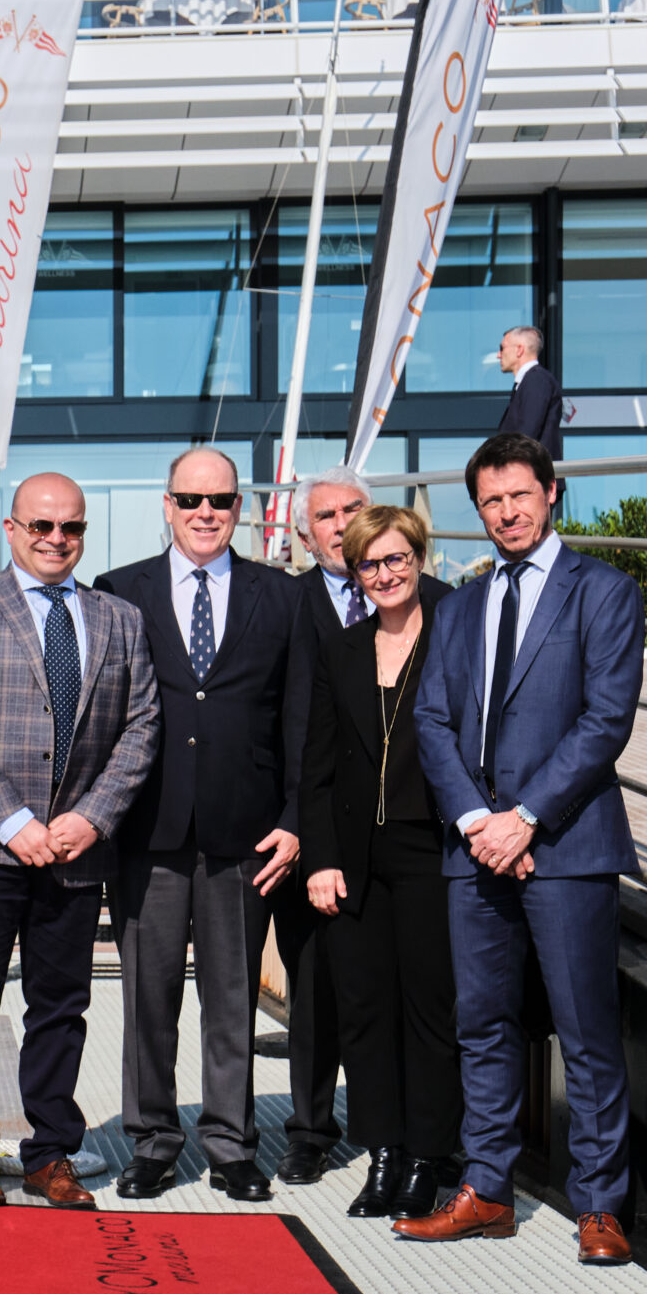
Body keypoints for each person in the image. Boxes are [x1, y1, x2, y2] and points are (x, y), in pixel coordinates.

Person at [400, 433, 643, 1265]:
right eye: (491, 501)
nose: (506, 512)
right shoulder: (460, 606)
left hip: (568, 846)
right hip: (475, 849)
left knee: (586, 1030)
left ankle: (602, 1206)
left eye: (519, 496)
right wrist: (478, 822)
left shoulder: (604, 592)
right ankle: (489, 1191)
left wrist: (526, 818)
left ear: (551, 494)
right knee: (483, 1024)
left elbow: (605, 720)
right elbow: (431, 720)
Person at [0, 473, 160, 1210]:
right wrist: (11, 820)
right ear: (11, 527)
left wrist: (93, 816)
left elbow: (142, 724)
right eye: (42, 526)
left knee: (61, 1004)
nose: (58, 539)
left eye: (72, 528)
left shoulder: (118, 619)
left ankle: (50, 1152)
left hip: (75, 847)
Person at [97, 447, 310, 1205]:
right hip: (146, 831)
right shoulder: (119, 592)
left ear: (240, 508)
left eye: (219, 500)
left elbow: (299, 720)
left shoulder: (281, 597)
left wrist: (293, 820)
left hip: (243, 835)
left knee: (231, 1002)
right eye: (190, 500)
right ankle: (152, 1143)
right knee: (148, 1003)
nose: (205, 513)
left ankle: (231, 1145)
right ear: (167, 505)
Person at [300, 505, 458, 1220]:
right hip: (354, 857)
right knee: (364, 1009)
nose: (386, 574)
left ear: (420, 559)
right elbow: (319, 764)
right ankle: (383, 1151)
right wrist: (321, 860)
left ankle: (427, 1156)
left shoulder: (454, 634)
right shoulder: (344, 647)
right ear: (355, 573)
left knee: (429, 1009)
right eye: (371, 564)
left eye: (397, 559)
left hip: (431, 849)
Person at [272, 464, 376, 1185]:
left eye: (353, 510)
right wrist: (295, 824)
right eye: (327, 517)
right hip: (305, 824)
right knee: (312, 988)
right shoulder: (284, 605)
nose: (341, 526)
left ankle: (386, 1127)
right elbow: (272, 726)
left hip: (391, 829)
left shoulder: (417, 598)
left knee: (388, 988)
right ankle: (310, 1129)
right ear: (307, 537)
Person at [495, 326, 565, 464]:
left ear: (519, 350)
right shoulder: (530, 381)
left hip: (532, 477)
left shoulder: (536, 380)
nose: (498, 354)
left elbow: (527, 434)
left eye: (502, 348)